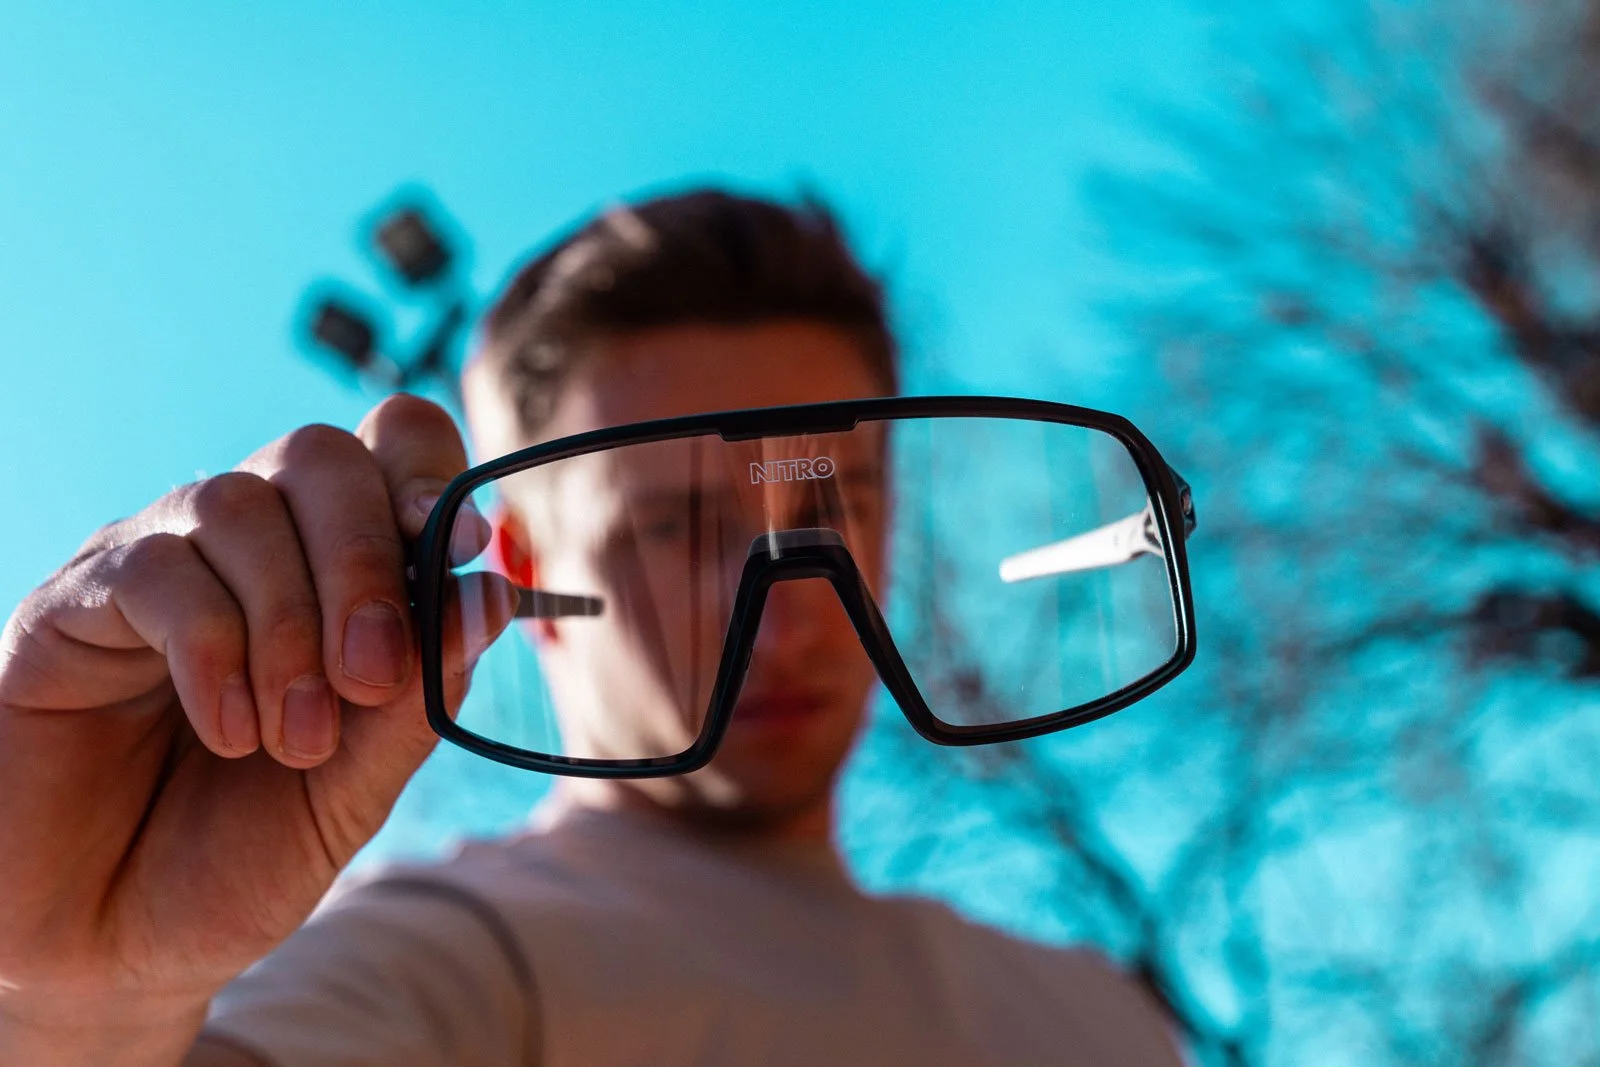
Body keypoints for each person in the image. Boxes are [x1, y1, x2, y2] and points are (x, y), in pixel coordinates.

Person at [0, 189, 1185, 1066]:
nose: (784, 599)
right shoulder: (457, 958)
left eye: (832, 505)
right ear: (521, 575)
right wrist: (82, 1006)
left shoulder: (1100, 1015)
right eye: (674, 527)